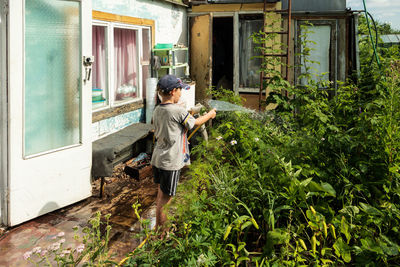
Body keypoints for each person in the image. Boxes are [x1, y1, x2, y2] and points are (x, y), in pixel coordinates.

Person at [151, 74, 216, 234]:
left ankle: (158, 229)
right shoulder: (178, 111)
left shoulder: (158, 110)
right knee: (167, 200)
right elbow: (195, 123)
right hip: (171, 161)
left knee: (161, 195)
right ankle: (162, 234)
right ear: (173, 91)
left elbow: (175, 125)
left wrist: (186, 113)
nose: (181, 94)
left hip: (158, 159)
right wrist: (210, 115)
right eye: (180, 90)